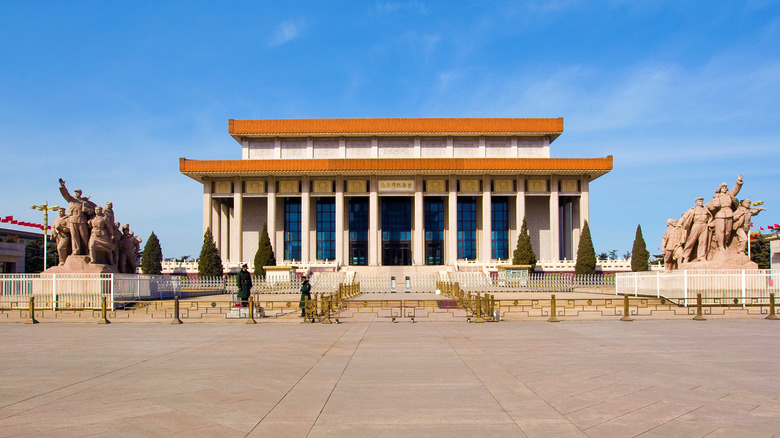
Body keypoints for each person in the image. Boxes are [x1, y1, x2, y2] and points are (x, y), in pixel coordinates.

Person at [706, 174, 743, 251]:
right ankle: (721, 246)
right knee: (721, 231)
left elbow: (736, 189)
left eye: (725, 187)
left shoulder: (729, 195)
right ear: (720, 189)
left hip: (729, 214)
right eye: (723, 187)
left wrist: (738, 181)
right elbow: (708, 207)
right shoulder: (716, 197)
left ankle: (725, 244)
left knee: (728, 231)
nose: (724, 189)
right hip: (720, 214)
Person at [59, 179, 93, 255]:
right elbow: (65, 194)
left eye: (78, 192)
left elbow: (91, 211)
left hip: (81, 219)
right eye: (75, 192)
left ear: (80, 194)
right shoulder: (71, 200)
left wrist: (87, 210)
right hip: (72, 220)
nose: (76, 193)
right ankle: (76, 250)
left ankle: (87, 250)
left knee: (84, 236)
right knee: (74, 236)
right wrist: (62, 186)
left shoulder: (84, 202)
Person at [678, 197, 712, 262]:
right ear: (696, 202)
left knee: (703, 242)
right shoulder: (693, 210)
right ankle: (686, 257)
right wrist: (679, 224)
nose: (701, 202)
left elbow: (710, 216)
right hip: (696, 225)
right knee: (691, 241)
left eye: (702, 201)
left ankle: (702, 257)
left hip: (704, 225)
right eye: (699, 201)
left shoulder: (705, 209)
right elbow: (684, 216)